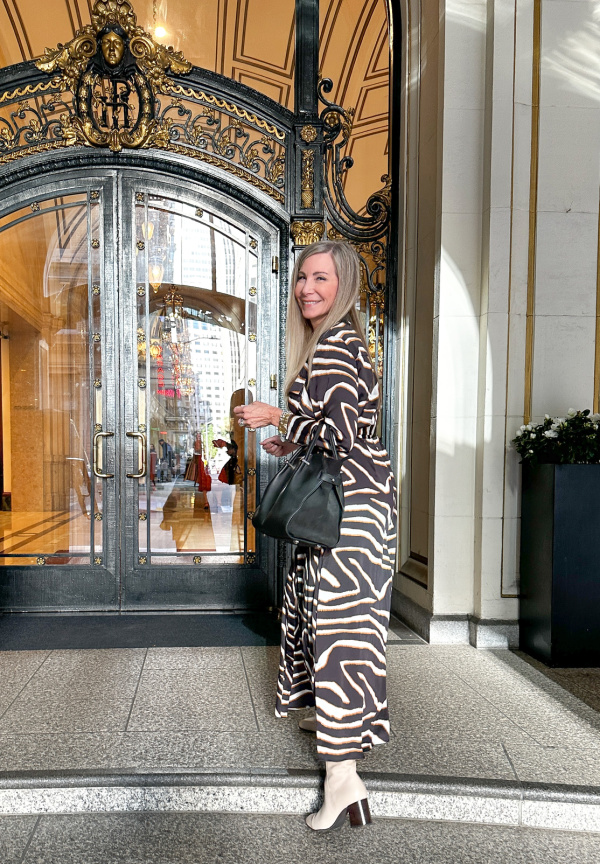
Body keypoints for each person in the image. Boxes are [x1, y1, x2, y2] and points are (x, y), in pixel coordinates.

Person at [233, 240, 397, 832]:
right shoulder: (342, 343)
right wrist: (295, 439)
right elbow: (333, 431)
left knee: (338, 632)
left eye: (320, 278)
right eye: (301, 277)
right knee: (344, 628)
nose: (306, 288)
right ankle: (339, 724)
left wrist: (279, 418)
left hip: (346, 518)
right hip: (359, 510)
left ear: (344, 283)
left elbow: (344, 434)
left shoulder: (333, 346)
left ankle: (342, 780)